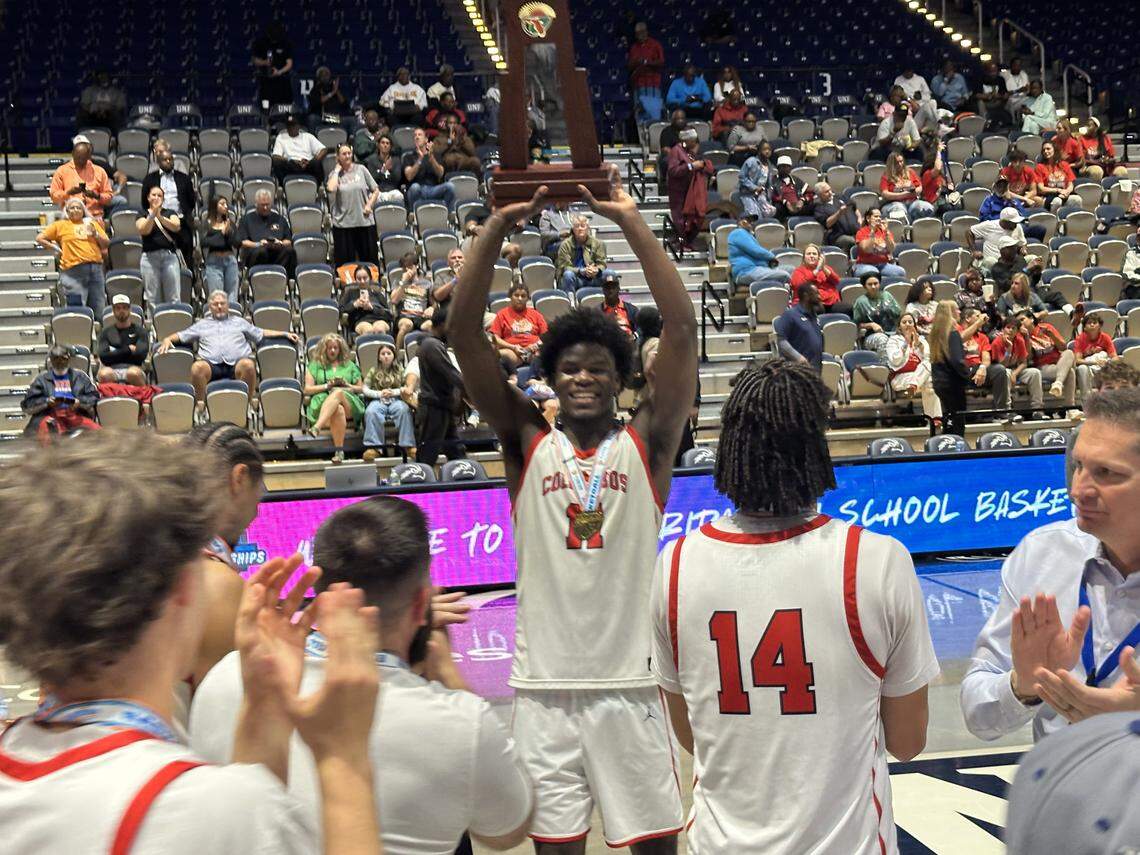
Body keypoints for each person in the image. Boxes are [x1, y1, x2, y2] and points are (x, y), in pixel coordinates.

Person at [449, 170, 697, 853]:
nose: (582, 377)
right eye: (569, 369)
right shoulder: (528, 442)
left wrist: (629, 221)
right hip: (542, 693)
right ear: (551, 377)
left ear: (621, 378)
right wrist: (497, 226)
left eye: (596, 368)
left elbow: (680, 329)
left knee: (655, 849)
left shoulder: (645, 448)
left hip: (632, 687)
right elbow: (463, 334)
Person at [0, 430, 385, 855]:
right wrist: (343, 760)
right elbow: (240, 820)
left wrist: (264, 706)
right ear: (184, 587)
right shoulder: (205, 811)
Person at [651, 358, 936, 853]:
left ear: (729, 449)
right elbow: (908, 742)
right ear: (815, 449)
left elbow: (691, 735)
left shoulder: (674, 564)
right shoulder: (876, 560)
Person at [191, 495, 533, 853]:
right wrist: (450, 678)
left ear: (320, 594)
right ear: (421, 605)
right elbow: (507, 830)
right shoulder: (463, 722)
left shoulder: (226, 677)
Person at [961, 386, 1140, 740]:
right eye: (1079, 466)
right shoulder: (1041, 555)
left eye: (1106, 473)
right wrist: (1023, 686)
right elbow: (976, 711)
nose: (1079, 489)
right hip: (1062, 791)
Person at [180, 422, 269, 696]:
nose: (263, 494)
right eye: (260, 483)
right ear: (239, 478)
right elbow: (217, 719)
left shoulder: (161, 550)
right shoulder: (217, 584)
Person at [158, 290, 299, 404]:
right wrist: (167, 339)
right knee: (197, 368)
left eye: (222, 303)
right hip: (211, 366)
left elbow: (260, 332)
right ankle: (200, 406)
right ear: (210, 307)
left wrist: (284, 333)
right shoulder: (202, 324)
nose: (219, 306)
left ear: (228, 306)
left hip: (236, 365)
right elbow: (182, 335)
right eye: (215, 304)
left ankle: (247, 404)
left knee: (248, 365)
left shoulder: (239, 322)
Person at [35, 195, 109, 315]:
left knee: (98, 307)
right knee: (77, 309)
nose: (75, 210)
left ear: (83, 211)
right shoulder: (60, 225)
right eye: (72, 208)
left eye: (78, 208)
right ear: (67, 211)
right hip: (73, 272)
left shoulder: (92, 224)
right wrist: (56, 248)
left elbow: (106, 243)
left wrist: (96, 234)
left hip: (95, 269)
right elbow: (40, 238)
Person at [412, 305, 466, 465]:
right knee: (427, 457)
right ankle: (418, 489)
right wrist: (474, 389)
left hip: (442, 406)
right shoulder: (431, 345)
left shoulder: (434, 345)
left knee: (456, 452)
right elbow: (451, 374)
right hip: (433, 408)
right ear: (443, 325)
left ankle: (468, 484)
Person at [304, 333, 364, 464]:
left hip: (349, 401)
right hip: (323, 403)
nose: (332, 351)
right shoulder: (315, 365)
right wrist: (327, 385)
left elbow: (361, 388)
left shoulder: (349, 365)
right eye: (329, 348)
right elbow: (307, 389)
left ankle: (317, 427)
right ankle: (339, 451)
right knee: (338, 410)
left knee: (338, 392)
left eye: (335, 348)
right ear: (323, 349)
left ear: (340, 348)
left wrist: (346, 385)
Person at [20, 344, 99, 441]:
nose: (59, 362)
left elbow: (93, 396)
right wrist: (47, 402)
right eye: (56, 359)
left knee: (98, 434)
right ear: (51, 360)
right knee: (48, 437)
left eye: (63, 358)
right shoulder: (41, 379)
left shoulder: (80, 377)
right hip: (50, 415)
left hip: (76, 414)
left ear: (68, 359)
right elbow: (28, 404)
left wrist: (79, 402)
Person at [327, 143, 380, 267]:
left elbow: (376, 190)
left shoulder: (361, 169)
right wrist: (336, 171)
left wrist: (369, 205)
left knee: (370, 263)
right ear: (338, 157)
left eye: (349, 153)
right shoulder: (335, 174)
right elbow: (331, 188)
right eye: (344, 154)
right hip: (343, 225)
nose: (347, 156)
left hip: (364, 222)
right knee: (346, 266)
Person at [142, 140, 196, 262]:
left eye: (170, 159)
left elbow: (191, 201)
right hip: (158, 222)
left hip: (181, 221)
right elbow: (145, 202)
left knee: (187, 259)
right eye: (165, 160)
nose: (168, 162)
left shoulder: (184, 178)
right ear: (158, 161)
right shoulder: (150, 179)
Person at [361, 342, 416, 460]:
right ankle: (374, 447)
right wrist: (379, 393)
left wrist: (394, 392)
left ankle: (407, 445)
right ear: (379, 357)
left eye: (389, 353)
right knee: (371, 412)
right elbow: (365, 388)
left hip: (396, 399)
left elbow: (407, 387)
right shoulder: (373, 370)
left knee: (404, 410)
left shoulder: (401, 370)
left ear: (394, 356)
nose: (386, 356)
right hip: (378, 400)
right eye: (383, 354)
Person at [887, 311, 941, 421]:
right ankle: (935, 418)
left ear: (914, 325)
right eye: (904, 322)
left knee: (930, 379)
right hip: (900, 377)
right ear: (899, 326)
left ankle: (934, 420)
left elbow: (928, 359)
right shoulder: (893, 340)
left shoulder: (921, 340)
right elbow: (895, 360)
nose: (907, 324)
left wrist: (919, 346)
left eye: (910, 322)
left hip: (917, 378)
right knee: (929, 381)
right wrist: (906, 343)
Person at [989, 314, 1045, 418]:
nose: (1010, 330)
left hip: (1015, 370)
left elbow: (1024, 362)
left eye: (1013, 328)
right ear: (1003, 329)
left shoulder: (1019, 340)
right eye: (1008, 327)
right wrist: (1009, 350)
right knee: (1006, 373)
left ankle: (1037, 410)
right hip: (1001, 372)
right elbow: (1001, 366)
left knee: (1034, 373)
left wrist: (1015, 373)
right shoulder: (997, 342)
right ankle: (1007, 409)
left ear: (1017, 331)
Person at [665, 129, 713, 250]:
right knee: (680, 219)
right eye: (694, 141)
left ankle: (687, 242)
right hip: (678, 191)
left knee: (696, 217)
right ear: (687, 140)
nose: (696, 143)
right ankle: (682, 243)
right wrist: (691, 166)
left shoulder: (689, 152)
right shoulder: (676, 151)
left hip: (690, 190)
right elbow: (672, 171)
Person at [137, 185, 182, 308]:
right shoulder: (142, 213)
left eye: (160, 195)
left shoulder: (170, 213)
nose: (157, 197)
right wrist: (152, 215)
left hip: (169, 256)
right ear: (148, 197)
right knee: (152, 298)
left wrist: (159, 216)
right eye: (154, 195)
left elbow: (176, 226)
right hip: (149, 258)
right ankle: (154, 325)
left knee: (174, 296)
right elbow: (143, 229)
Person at [49, 134, 113, 220]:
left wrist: (96, 196)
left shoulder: (99, 171)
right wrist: (68, 193)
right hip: (70, 217)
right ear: (72, 154)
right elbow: (54, 197)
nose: (80, 161)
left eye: (83, 158)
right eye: (78, 158)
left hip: (94, 216)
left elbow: (109, 198)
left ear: (89, 157)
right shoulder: (62, 171)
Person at [1020, 312, 1077, 407]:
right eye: (1018, 321)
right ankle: (1070, 407)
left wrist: (1052, 335)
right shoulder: (1021, 336)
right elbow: (1028, 359)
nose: (1020, 323)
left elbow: (1063, 347)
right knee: (1069, 372)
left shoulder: (1046, 327)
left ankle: (1058, 383)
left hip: (1059, 363)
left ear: (1031, 319)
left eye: (1022, 319)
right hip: (1042, 368)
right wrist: (1026, 338)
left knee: (1069, 353)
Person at [237, 189, 297, 276]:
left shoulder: (280, 219)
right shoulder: (246, 219)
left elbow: (288, 240)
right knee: (262, 251)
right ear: (256, 204)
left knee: (290, 251)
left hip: (277, 252)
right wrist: (258, 244)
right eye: (262, 205)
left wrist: (280, 243)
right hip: (256, 252)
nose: (265, 208)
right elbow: (242, 242)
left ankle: (286, 280)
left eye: (267, 205)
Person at [490, 282, 548, 372]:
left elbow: (546, 336)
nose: (520, 299)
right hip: (512, 353)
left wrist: (536, 346)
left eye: (523, 296)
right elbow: (495, 338)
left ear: (527, 298)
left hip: (534, 352)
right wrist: (512, 347)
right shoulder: (502, 314)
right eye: (516, 295)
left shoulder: (536, 315)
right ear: (510, 297)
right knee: (496, 355)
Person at [97, 294, 149, 386]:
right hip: (112, 369)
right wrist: (129, 350)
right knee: (104, 374)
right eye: (118, 308)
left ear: (129, 309)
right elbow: (104, 357)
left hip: (134, 368)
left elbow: (140, 356)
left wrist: (115, 352)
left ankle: (142, 399)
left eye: (125, 308)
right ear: (113, 310)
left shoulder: (140, 331)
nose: (122, 311)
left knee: (133, 373)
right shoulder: (106, 332)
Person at [727, 217, 792, 287]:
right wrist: (772, 257)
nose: (750, 222)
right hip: (746, 271)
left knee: (791, 269)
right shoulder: (738, 232)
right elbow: (756, 251)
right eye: (746, 220)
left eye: (751, 221)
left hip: (760, 268)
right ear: (739, 222)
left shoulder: (749, 235)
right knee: (784, 275)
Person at [403, 127, 456, 210]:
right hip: (418, 189)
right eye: (415, 135)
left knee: (450, 186)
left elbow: (440, 173)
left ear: (426, 139)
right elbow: (409, 176)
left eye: (419, 135)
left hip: (434, 189)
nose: (417, 137)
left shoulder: (435, 155)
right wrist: (419, 159)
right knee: (414, 187)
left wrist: (431, 158)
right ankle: (415, 215)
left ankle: (444, 213)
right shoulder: (408, 157)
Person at [774, 282, 825, 368]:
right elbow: (782, 341)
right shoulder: (790, 315)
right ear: (806, 295)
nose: (819, 297)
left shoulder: (814, 316)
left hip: (815, 368)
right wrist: (799, 358)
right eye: (816, 294)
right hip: (797, 369)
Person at [967, 206, 1032, 274]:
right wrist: (974, 251)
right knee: (990, 261)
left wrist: (1023, 249)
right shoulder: (990, 225)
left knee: (1033, 259)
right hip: (993, 262)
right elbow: (969, 232)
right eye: (1013, 223)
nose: (1015, 225)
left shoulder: (1017, 227)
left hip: (1012, 261)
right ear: (1004, 221)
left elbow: (1023, 243)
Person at [199, 195, 240, 301]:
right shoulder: (207, 224)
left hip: (230, 260)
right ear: (214, 206)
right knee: (217, 296)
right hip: (214, 261)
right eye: (222, 204)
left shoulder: (230, 224)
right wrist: (221, 234)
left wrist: (229, 232)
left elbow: (236, 243)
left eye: (226, 204)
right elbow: (204, 242)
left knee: (232, 295)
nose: (226, 206)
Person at [391, 252, 434, 349]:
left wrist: (431, 308)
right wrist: (403, 282)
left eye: (409, 267)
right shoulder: (398, 282)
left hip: (421, 316)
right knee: (406, 324)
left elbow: (434, 303)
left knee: (431, 325)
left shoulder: (426, 283)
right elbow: (394, 300)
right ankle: (397, 355)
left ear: (416, 266)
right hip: (404, 316)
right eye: (404, 268)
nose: (407, 270)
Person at [555, 214, 608, 292]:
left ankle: (610, 303)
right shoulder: (565, 245)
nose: (580, 228)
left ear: (588, 228)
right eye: (577, 226)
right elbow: (564, 267)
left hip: (593, 277)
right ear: (573, 229)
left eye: (583, 226)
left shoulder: (598, 243)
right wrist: (581, 271)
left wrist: (596, 270)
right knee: (568, 274)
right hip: (576, 278)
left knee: (610, 274)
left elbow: (602, 264)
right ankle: (571, 302)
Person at [790, 243, 848, 314]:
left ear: (819, 257)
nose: (811, 256)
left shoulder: (826, 269)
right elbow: (799, 285)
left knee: (848, 308)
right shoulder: (798, 271)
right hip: (810, 303)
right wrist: (816, 270)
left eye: (814, 254)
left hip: (830, 302)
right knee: (818, 310)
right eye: (808, 254)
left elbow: (836, 281)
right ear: (804, 258)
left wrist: (823, 268)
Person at [852, 271, 901, 354]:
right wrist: (871, 325)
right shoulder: (860, 302)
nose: (873, 286)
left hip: (892, 332)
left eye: (876, 283)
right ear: (864, 286)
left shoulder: (887, 295)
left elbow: (898, 314)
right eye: (870, 284)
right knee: (882, 339)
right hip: (871, 336)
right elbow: (857, 325)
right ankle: (884, 364)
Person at [271, 114, 327, 185]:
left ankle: (319, 188)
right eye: (289, 125)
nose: (291, 128)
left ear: (298, 126)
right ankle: (282, 188)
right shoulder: (281, 137)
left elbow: (324, 149)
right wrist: (290, 160)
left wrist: (313, 160)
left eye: (293, 125)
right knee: (277, 163)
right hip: (291, 164)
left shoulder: (308, 136)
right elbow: (275, 156)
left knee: (316, 163)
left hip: (307, 164)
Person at [627, 22, 665, 125]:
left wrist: (647, 62)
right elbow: (629, 65)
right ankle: (641, 139)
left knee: (654, 115)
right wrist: (637, 62)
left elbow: (661, 62)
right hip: (638, 85)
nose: (640, 35)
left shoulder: (655, 44)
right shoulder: (634, 47)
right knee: (639, 114)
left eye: (642, 32)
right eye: (637, 33)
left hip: (653, 84)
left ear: (646, 32)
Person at [880, 151, 934, 223]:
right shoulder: (886, 176)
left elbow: (919, 187)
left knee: (925, 206)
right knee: (899, 209)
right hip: (894, 203)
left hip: (912, 201)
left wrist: (910, 191)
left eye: (901, 161)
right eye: (897, 163)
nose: (900, 164)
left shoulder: (910, 171)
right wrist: (903, 195)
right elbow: (885, 193)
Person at [340, 264, 392, 337]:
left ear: (370, 278)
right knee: (368, 330)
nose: (362, 281)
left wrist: (372, 308)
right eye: (359, 278)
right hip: (361, 321)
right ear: (355, 279)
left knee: (379, 329)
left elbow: (388, 314)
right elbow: (341, 310)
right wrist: (355, 305)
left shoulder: (377, 293)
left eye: (365, 278)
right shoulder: (350, 293)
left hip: (379, 320)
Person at [251, 21, 295, 107]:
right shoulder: (260, 43)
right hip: (266, 82)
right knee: (266, 107)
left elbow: (289, 64)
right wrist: (264, 62)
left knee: (285, 108)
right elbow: (254, 60)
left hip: (283, 82)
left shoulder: (285, 43)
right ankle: (266, 119)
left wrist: (279, 72)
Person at [853, 208, 906, 277]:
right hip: (864, 265)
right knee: (874, 272)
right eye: (875, 216)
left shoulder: (885, 231)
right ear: (868, 218)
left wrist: (886, 232)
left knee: (900, 272)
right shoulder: (861, 232)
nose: (878, 218)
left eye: (880, 216)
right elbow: (867, 250)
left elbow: (891, 249)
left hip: (883, 265)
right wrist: (872, 232)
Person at [1074, 314, 1118, 398]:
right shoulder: (1080, 338)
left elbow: (1115, 357)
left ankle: (1109, 400)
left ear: (1100, 326)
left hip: (1102, 366)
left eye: (1094, 322)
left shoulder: (1105, 337)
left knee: (1109, 362)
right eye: (1089, 323)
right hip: (1088, 367)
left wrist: (1107, 362)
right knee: (1081, 368)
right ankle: (1086, 400)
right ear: (1084, 327)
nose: (1092, 325)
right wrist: (1094, 362)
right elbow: (1077, 360)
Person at [812, 181, 861, 253]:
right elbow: (827, 223)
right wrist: (839, 213)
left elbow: (854, 207)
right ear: (820, 195)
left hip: (856, 230)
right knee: (854, 241)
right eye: (826, 192)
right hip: (838, 236)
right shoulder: (819, 208)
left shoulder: (840, 197)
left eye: (830, 190)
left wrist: (860, 218)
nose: (830, 193)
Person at [737, 140, 775, 219]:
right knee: (756, 216)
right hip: (748, 194)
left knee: (770, 212)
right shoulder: (751, 161)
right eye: (764, 149)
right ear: (759, 151)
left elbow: (768, 184)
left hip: (761, 195)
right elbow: (742, 177)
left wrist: (768, 198)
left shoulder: (770, 165)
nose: (767, 151)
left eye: (769, 149)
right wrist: (754, 187)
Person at [1034, 140, 1077, 211]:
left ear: (1055, 150)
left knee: (1076, 199)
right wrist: (1058, 190)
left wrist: (1067, 192)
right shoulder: (1040, 167)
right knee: (1057, 201)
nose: (1045, 151)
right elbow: (1041, 188)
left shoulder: (1064, 165)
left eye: (1048, 149)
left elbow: (1070, 184)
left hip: (1064, 193)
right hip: (1049, 195)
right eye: (1043, 150)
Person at [599, 270, 639, 337]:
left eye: (613, 287)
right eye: (607, 287)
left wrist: (633, 336)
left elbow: (640, 330)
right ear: (603, 290)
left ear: (618, 289)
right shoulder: (597, 312)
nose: (611, 290)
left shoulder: (632, 310)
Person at [769, 156, 809, 223]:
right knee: (777, 208)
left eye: (787, 166)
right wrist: (785, 202)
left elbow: (810, 193)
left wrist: (802, 200)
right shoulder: (773, 180)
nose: (785, 168)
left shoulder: (796, 180)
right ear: (778, 168)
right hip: (783, 207)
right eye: (783, 166)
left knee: (815, 207)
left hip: (798, 206)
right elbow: (771, 196)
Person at [977, 61, 1012, 129]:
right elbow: (976, 95)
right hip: (986, 103)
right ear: (987, 71)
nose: (993, 73)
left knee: (1010, 101)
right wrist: (988, 96)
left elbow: (1004, 93)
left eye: (995, 71)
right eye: (991, 71)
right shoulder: (980, 79)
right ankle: (984, 124)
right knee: (980, 103)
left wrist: (1001, 96)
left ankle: (1010, 123)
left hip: (998, 102)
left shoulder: (1001, 79)